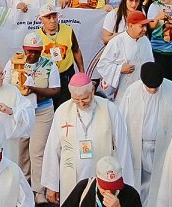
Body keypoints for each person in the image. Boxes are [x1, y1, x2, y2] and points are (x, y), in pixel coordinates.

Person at [42, 72, 133, 204]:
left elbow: (123, 147)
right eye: (76, 100)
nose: (81, 103)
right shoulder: (62, 111)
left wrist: (126, 185)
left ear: (92, 90)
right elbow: (52, 148)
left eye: (85, 99)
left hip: (103, 179)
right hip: (71, 178)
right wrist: (51, 184)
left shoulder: (109, 109)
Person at [120, 62, 172, 202]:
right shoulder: (132, 91)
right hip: (138, 145)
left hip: (164, 145)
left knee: (161, 182)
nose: (153, 90)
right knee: (139, 181)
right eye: (150, 87)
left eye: (156, 87)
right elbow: (122, 122)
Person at [11, 32, 59, 204]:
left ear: (41, 50)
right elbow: (7, 83)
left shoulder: (49, 64)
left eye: (36, 51)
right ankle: (23, 186)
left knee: (37, 151)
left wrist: (35, 89)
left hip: (42, 111)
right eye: (29, 51)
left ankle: (39, 191)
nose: (31, 55)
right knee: (22, 150)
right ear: (24, 49)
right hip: (22, 112)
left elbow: (55, 90)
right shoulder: (15, 63)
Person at [95, 11, 155, 97]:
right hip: (122, 89)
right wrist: (119, 69)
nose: (145, 29)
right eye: (142, 26)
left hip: (141, 88)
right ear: (130, 25)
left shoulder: (145, 40)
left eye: (145, 26)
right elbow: (102, 65)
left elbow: (150, 63)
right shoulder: (116, 41)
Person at [37, 4, 85, 108]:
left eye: (54, 16)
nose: (52, 20)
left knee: (67, 105)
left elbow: (76, 50)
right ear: (41, 20)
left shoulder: (68, 30)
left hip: (66, 74)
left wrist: (81, 71)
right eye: (48, 17)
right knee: (50, 107)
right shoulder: (37, 37)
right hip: (48, 78)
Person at [59, 155, 142, 207]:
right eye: (105, 187)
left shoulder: (131, 195)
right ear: (97, 179)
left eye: (114, 186)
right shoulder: (83, 188)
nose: (109, 191)